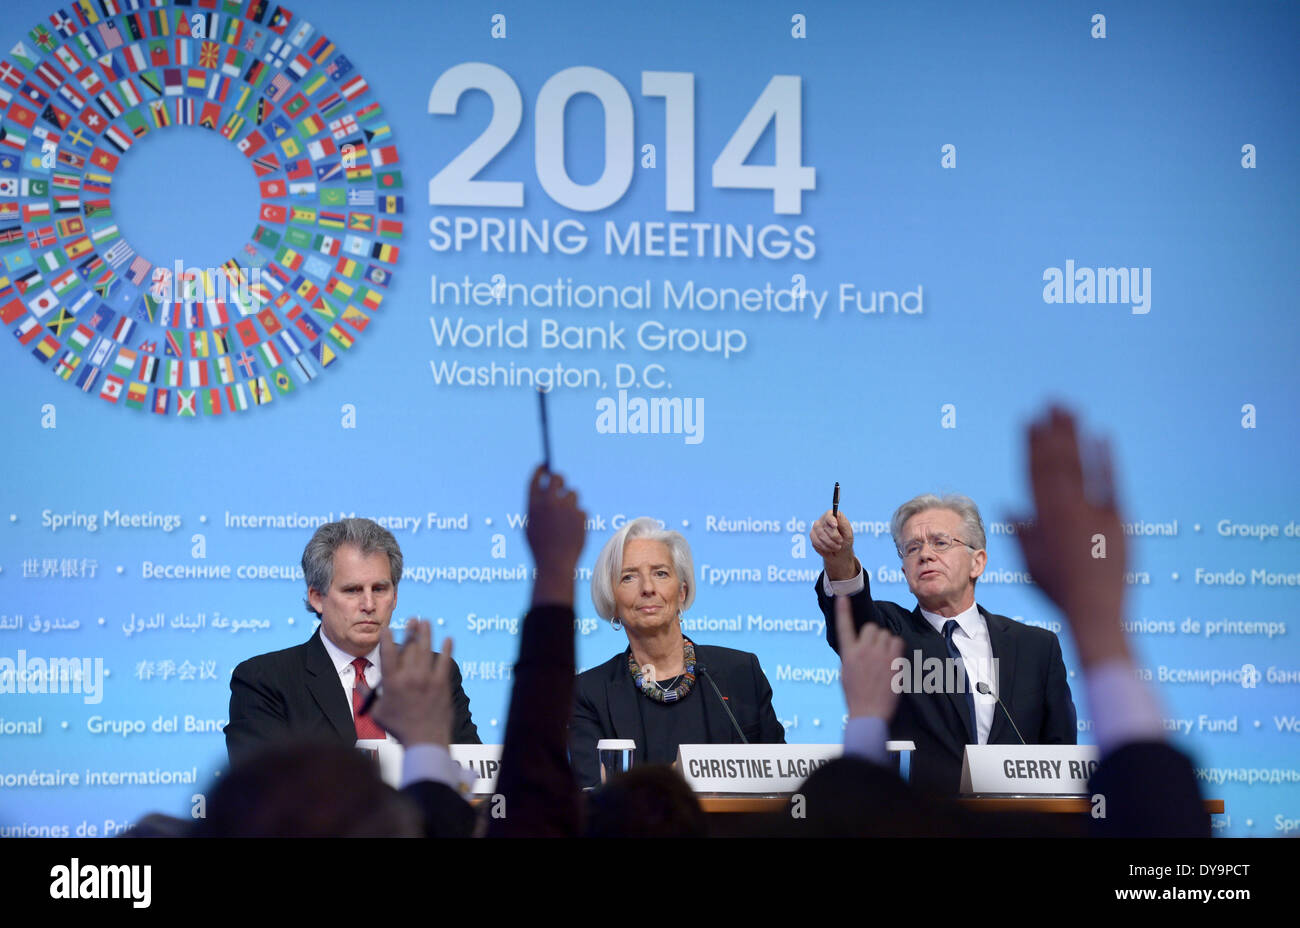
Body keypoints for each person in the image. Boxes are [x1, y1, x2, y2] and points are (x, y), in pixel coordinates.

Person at [810, 492, 1075, 795]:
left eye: (940, 542)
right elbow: (854, 613)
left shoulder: (1036, 648)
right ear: (905, 572)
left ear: (978, 562)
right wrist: (839, 558)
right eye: (912, 548)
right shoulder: (889, 635)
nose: (925, 555)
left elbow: (1061, 757)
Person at [224, 518, 480, 771]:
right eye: (352, 590)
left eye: (379, 589)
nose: (369, 604)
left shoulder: (433, 672)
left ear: (395, 596)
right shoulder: (266, 680)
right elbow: (260, 790)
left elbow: (476, 778)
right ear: (317, 598)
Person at [570, 517, 785, 789]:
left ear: (682, 592)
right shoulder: (589, 694)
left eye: (660, 573)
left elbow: (780, 779)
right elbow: (591, 800)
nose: (648, 588)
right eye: (629, 577)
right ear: (612, 602)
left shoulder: (741, 672)